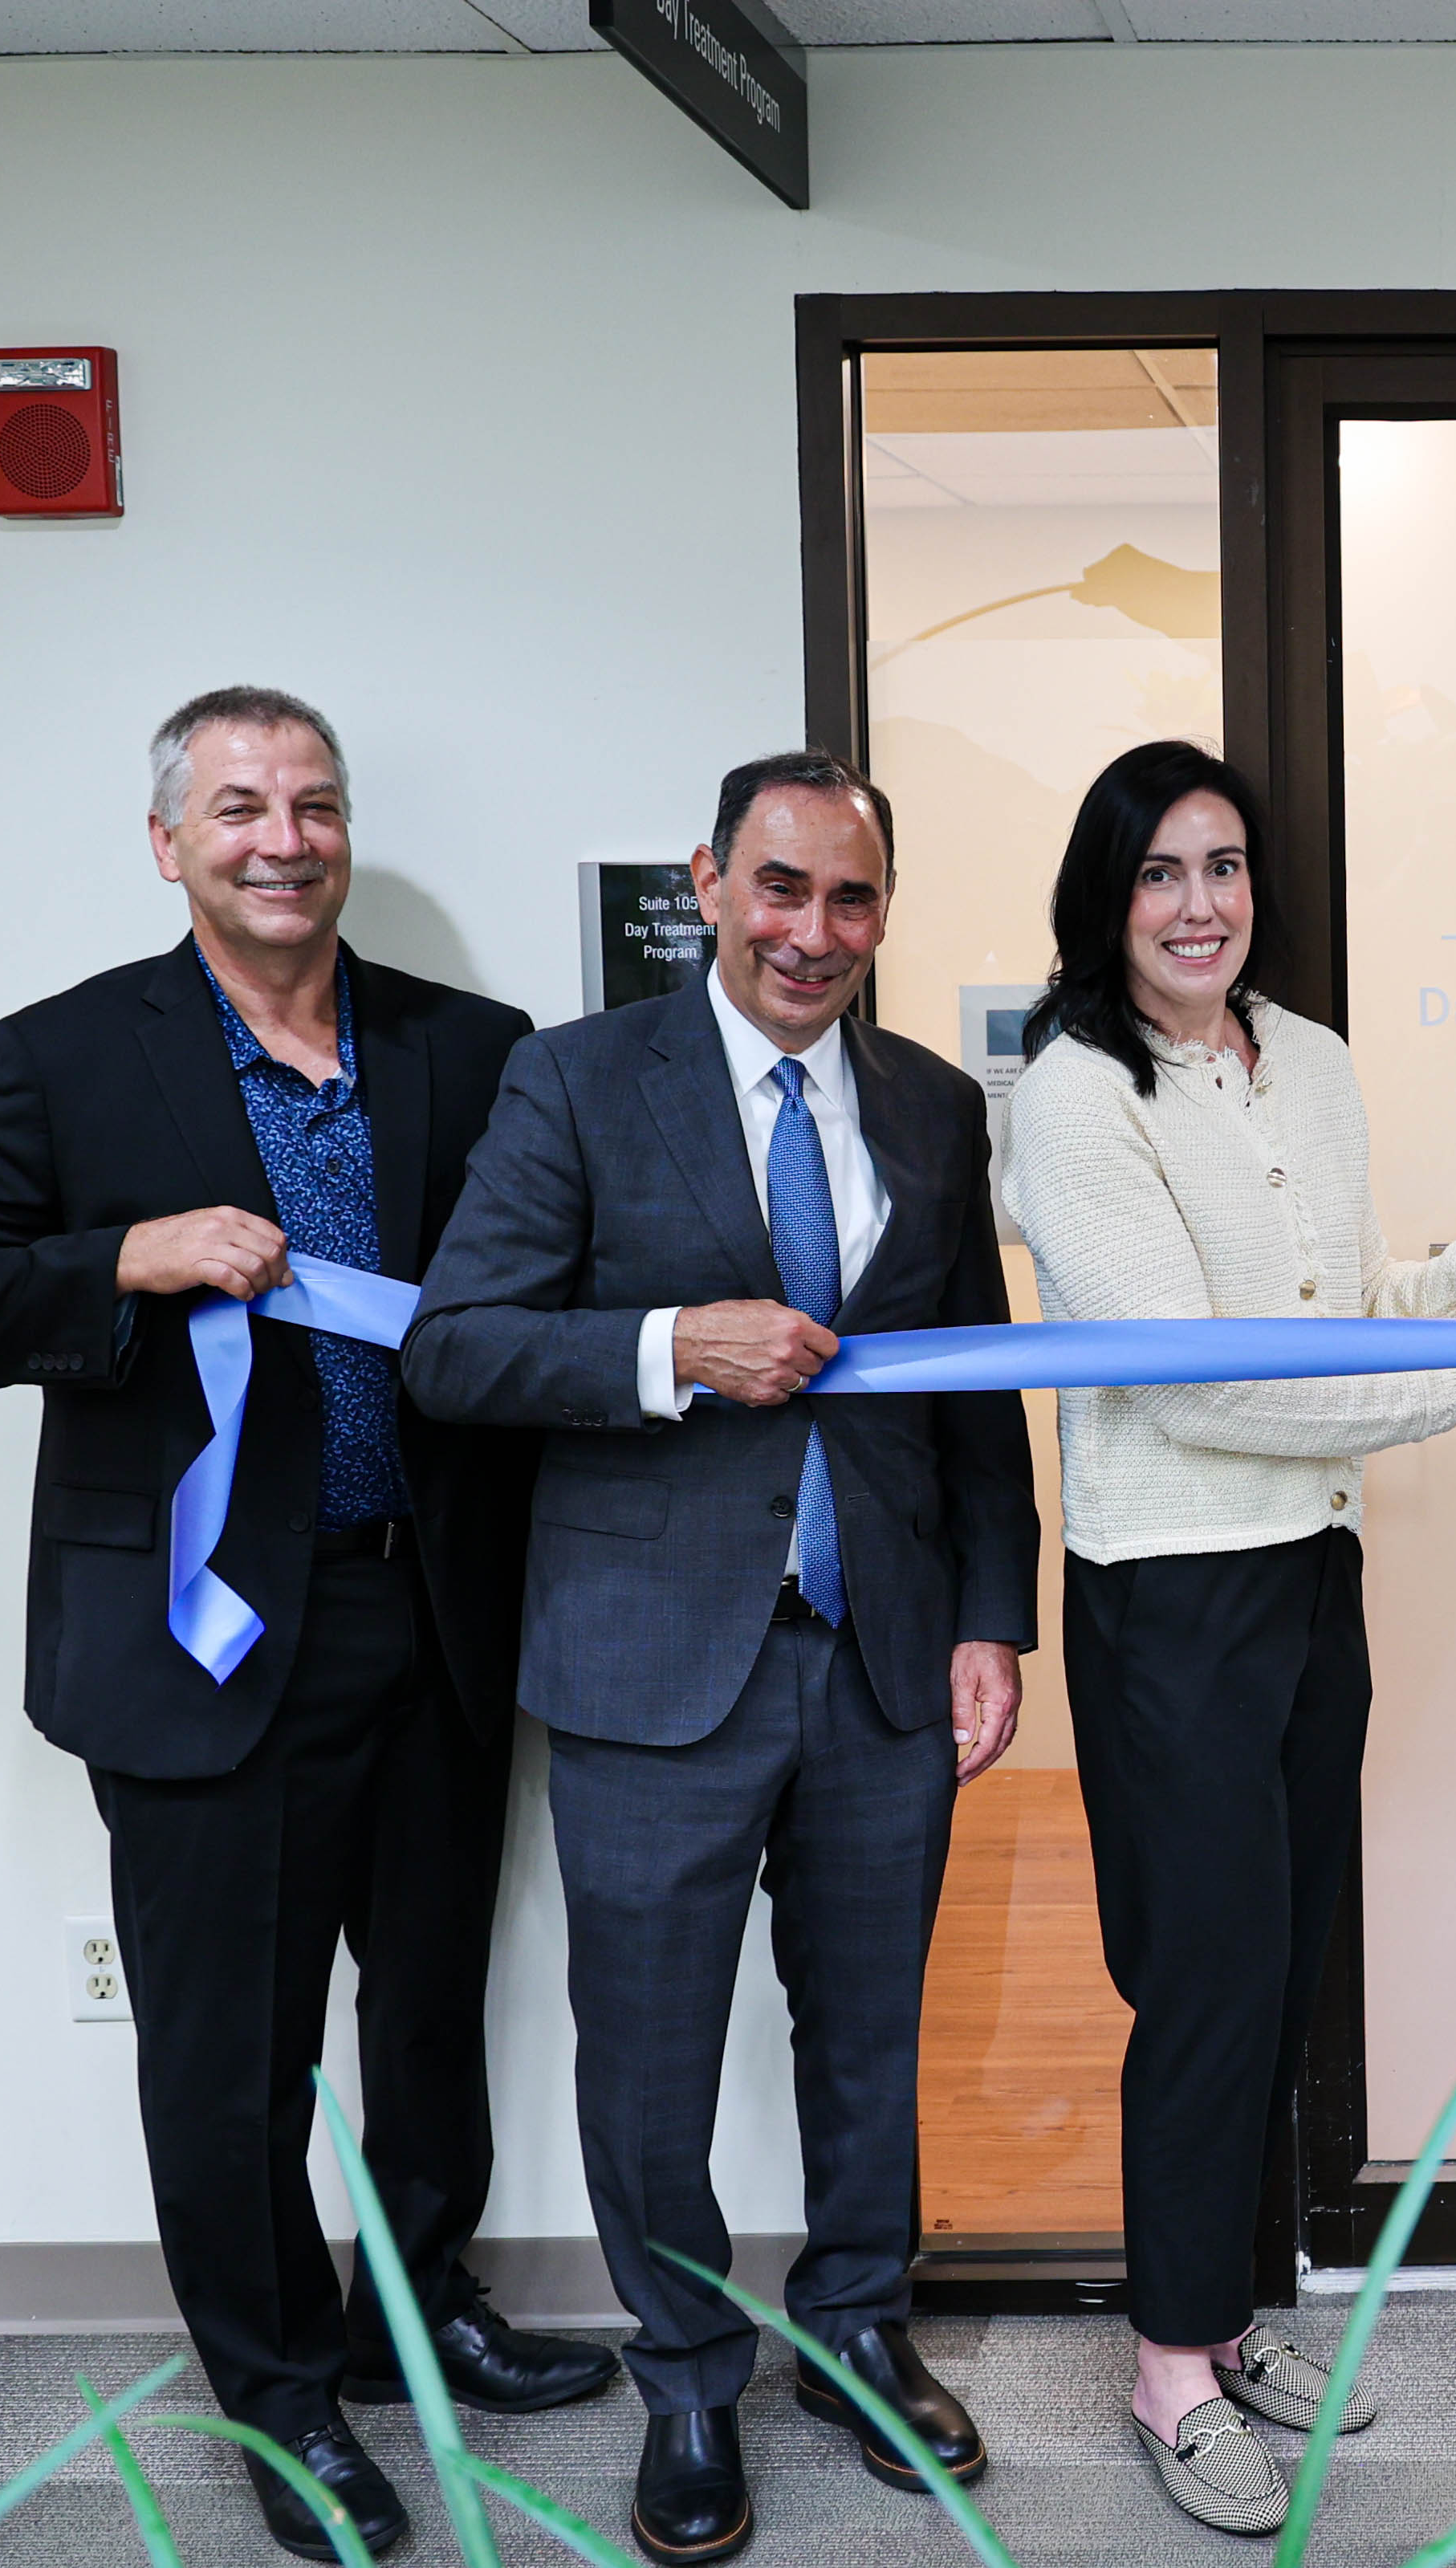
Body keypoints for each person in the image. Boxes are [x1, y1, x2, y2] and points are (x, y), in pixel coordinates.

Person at [0, 687, 614, 2562]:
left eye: (314, 803)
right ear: (169, 840)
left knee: (429, 2009)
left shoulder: (476, 1050)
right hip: (202, 1642)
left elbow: (540, 1303)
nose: (283, 836)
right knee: (230, 2047)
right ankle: (281, 2399)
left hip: (433, 1613)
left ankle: (416, 2306)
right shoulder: (63, 1057)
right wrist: (126, 1254)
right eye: (239, 806)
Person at [402, 750, 1039, 2567]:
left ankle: (851, 2324)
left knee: (866, 2032)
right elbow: (456, 1348)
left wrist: (993, 1612)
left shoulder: (926, 1105)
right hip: (648, 1659)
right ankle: (686, 2371)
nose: (810, 933)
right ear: (709, 879)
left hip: (880, 1654)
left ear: (883, 911)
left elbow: (972, 1386)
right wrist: (672, 1341)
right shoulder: (580, 1077)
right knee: (650, 2053)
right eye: (778, 888)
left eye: (849, 899)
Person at [999, 741, 1456, 2536]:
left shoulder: (1307, 1060)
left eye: (1225, 866)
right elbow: (1196, 1370)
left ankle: (1233, 2306)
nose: (1200, 903)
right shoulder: (1070, 1097)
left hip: (1309, 1574)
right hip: (1169, 1586)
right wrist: (1448, 1396)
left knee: (1281, 1964)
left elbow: (1327, 1293)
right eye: (1163, 870)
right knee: (1201, 1980)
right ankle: (1168, 2361)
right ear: (1108, 897)